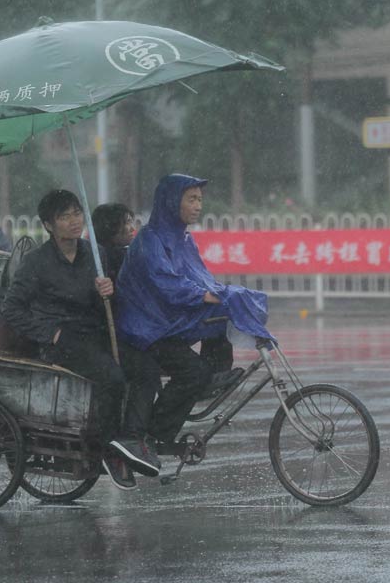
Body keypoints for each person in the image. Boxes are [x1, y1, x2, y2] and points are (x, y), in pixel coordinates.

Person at [1, 190, 162, 490]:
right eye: (65, 217)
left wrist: (108, 292)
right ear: (49, 225)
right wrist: (50, 332)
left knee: (147, 370)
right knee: (112, 378)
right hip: (63, 341)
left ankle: (129, 440)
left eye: (77, 213)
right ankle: (107, 449)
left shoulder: (94, 254)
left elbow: (112, 302)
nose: (74, 221)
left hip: (97, 335)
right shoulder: (38, 263)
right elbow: (11, 308)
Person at [114, 174, 273, 447]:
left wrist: (223, 295)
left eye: (200, 199)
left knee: (223, 313)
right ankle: (155, 435)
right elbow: (167, 283)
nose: (198, 205)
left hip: (168, 322)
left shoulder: (184, 240)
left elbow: (200, 276)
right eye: (191, 199)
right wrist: (204, 295)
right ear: (171, 201)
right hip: (145, 330)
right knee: (193, 373)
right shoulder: (149, 240)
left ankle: (214, 376)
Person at [91, 203, 135, 282]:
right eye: (127, 222)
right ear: (111, 227)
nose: (132, 228)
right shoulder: (120, 258)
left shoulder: (93, 253)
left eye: (131, 222)